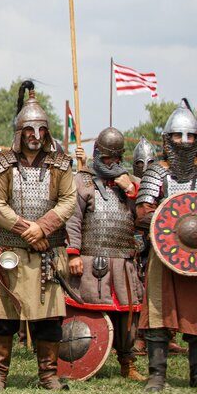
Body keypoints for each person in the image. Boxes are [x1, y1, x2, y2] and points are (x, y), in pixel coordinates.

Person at [0, 81, 75, 391]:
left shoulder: (60, 165)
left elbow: (68, 200)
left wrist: (42, 228)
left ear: (46, 133)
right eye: (29, 131)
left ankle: (48, 375)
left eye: (40, 131)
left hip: (47, 253)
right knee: (3, 318)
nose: (35, 137)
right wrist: (27, 229)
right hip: (9, 252)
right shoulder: (2, 165)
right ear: (19, 133)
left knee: (49, 319)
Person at [66, 128, 145, 381]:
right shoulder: (82, 181)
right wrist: (73, 254)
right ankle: (84, 358)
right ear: (97, 153)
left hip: (122, 259)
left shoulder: (130, 183)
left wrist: (131, 191)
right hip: (91, 259)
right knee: (87, 311)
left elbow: (143, 217)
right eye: (107, 157)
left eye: (116, 158)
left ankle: (127, 363)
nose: (112, 163)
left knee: (127, 315)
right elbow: (73, 220)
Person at [136, 100, 197, 392]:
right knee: (158, 316)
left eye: (190, 136)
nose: (184, 142)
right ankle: (157, 375)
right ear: (167, 139)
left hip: (195, 259)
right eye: (178, 135)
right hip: (164, 255)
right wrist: (165, 224)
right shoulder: (156, 173)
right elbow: (143, 213)